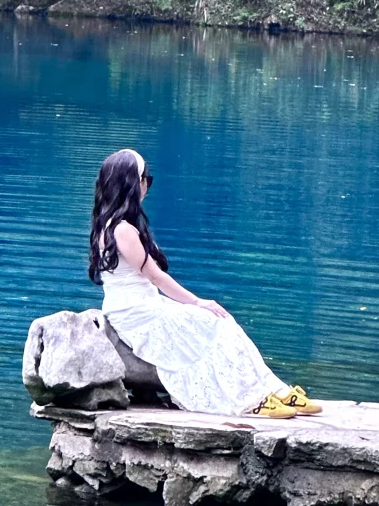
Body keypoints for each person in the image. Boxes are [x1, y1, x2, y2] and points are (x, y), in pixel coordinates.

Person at [89, 148, 321, 419]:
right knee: (216, 321)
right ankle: (253, 400)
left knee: (219, 322)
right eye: (146, 178)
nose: (147, 185)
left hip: (139, 307)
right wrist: (198, 301)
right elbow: (156, 276)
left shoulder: (108, 225)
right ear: (131, 184)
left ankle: (274, 390)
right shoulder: (123, 230)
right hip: (138, 314)